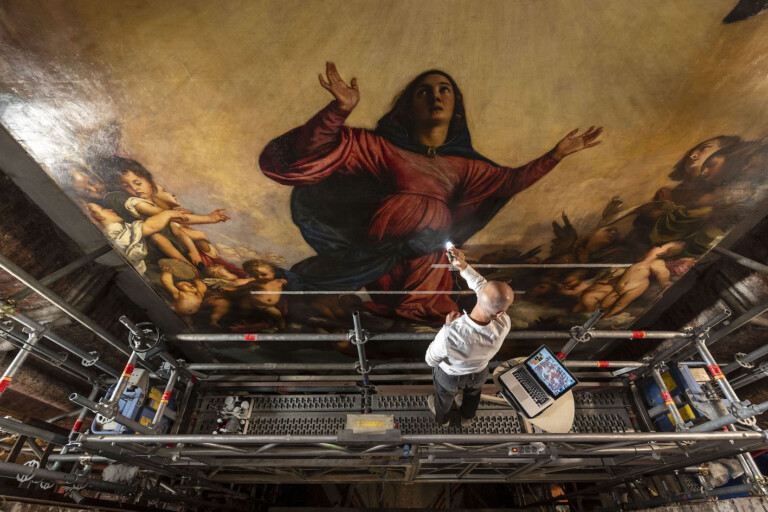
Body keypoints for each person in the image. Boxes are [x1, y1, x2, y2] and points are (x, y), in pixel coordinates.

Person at [259, 62, 602, 324]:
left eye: (444, 90)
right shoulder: (381, 148)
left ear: (456, 107)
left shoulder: (464, 166)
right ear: (408, 106)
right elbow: (313, 150)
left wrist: (555, 155)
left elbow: (511, 181)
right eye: (424, 91)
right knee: (394, 292)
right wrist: (339, 110)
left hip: (433, 246)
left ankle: (415, 319)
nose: (436, 96)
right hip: (385, 238)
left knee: (427, 302)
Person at [424, 246, 515, 427]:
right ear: (500, 312)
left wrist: (448, 325)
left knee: (444, 397)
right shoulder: (504, 322)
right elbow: (481, 285)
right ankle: (467, 418)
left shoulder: (450, 333)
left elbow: (430, 360)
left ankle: (443, 420)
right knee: (473, 395)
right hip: (479, 372)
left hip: (450, 376)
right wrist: (463, 265)